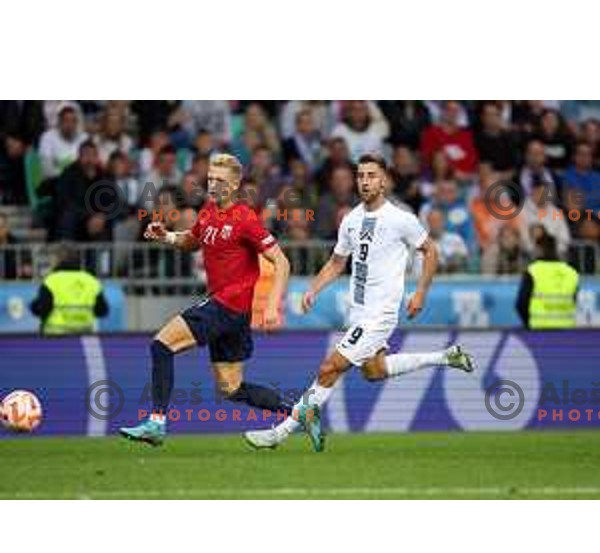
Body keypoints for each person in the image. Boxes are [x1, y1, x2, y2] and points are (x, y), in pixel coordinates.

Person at [245, 154, 475, 452]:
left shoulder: (401, 219)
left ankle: (280, 432)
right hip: (359, 311)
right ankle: (446, 357)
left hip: (380, 314)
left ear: (384, 180)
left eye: (371, 175)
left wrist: (420, 293)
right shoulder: (351, 219)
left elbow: (430, 251)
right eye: (361, 175)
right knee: (374, 371)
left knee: (330, 367)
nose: (365, 181)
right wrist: (313, 289)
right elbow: (337, 262)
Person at [119, 153, 291, 446]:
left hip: (228, 305)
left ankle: (156, 423)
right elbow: (193, 240)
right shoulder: (209, 210)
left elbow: (282, 262)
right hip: (231, 313)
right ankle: (299, 412)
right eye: (210, 179)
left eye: (220, 180)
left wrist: (273, 305)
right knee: (231, 388)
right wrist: (167, 237)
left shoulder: (245, 218)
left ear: (235, 184)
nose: (213, 185)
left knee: (161, 345)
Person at [30, 243, 109, 335]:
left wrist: (33, 306)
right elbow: (102, 310)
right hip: (84, 336)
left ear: (57, 260)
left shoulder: (51, 281)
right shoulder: (91, 281)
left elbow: (43, 310)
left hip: (55, 338)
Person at [515, 232, 579, 329]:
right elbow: (574, 300)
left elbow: (521, 303)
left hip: (539, 329)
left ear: (539, 249)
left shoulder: (533, 271)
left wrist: (528, 324)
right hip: (566, 329)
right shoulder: (571, 272)